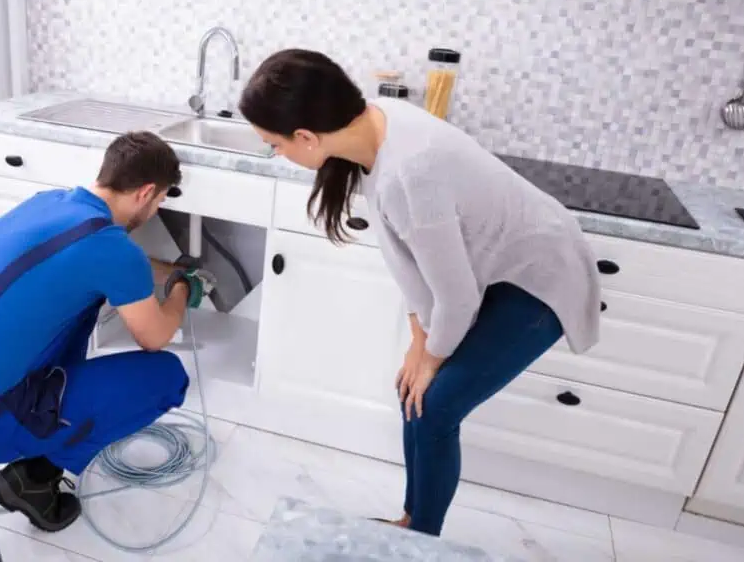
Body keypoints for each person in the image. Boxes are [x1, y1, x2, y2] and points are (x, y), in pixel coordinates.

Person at [238, 49, 602, 536]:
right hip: (493, 267)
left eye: (274, 144)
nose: (275, 153)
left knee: (433, 405)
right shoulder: (370, 126)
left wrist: (430, 356)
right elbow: (411, 264)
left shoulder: (410, 173)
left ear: (305, 137)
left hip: (541, 276)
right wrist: (419, 339)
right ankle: (410, 521)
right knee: (414, 392)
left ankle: (420, 541)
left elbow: (455, 299)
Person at [0, 131, 215, 532]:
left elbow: (111, 259)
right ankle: (34, 478)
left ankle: (39, 438)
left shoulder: (50, 205)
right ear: (146, 192)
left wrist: (167, 271)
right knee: (167, 376)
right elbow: (154, 336)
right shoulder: (112, 250)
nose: (158, 207)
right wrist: (182, 289)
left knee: (72, 310)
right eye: (161, 199)